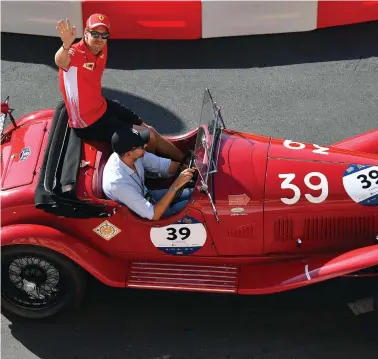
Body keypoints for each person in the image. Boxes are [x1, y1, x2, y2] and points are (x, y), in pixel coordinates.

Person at [54, 14, 186, 163]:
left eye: (104, 35)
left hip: (102, 106)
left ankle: (185, 160)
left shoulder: (101, 49)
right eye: (94, 33)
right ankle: (165, 171)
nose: (99, 39)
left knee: (150, 130)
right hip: (88, 123)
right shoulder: (74, 53)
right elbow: (60, 61)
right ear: (85, 33)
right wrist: (65, 45)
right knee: (148, 137)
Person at [102, 127, 196, 220]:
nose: (146, 146)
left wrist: (185, 167)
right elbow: (153, 215)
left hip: (147, 195)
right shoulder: (118, 183)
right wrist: (175, 186)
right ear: (128, 154)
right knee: (194, 206)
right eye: (141, 146)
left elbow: (163, 165)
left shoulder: (132, 156)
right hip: (143, 215)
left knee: (194, 193)